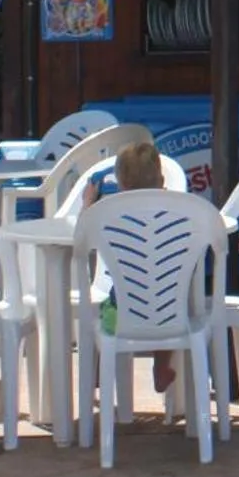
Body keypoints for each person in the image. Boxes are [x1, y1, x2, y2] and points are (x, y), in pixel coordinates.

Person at [86, 141, 179, 394]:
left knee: (100, 316)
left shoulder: (111, 216)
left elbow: (84, 236)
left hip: (122, 313)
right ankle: (161, 367)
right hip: (170, 312)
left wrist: (88, 205)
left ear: (120, 185)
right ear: (162, 181)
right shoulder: (178, 214)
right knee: (166, 305)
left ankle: (98, 374)